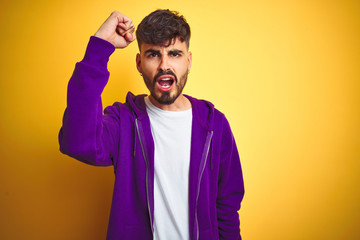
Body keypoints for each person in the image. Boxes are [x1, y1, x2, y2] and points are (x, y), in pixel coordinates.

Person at [59, 9, 245, 240]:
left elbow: (226, 206)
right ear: (139, 63)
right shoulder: (123, 121)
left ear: (188, 61)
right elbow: (77, 142)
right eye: (154, 54)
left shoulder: (214, 124)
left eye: (175, 54)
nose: (164, 66)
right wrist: (99, 47)